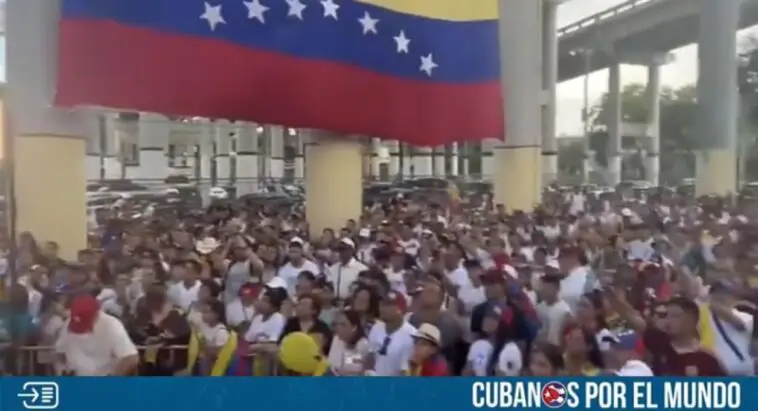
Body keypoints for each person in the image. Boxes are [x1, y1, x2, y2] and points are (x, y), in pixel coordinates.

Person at [54, 294, 139, 376]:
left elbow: (131, 358)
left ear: (96, 315)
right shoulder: (69, 323)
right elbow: (59, 353)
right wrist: (61, 370)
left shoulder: (112, 325)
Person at [328, 309, 370, 375]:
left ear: (354, 327)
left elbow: (354, 371)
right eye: (336, 324)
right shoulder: (336, 339)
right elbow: (331, 364)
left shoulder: (362, 345)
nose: (338, 328)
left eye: (343, 324)